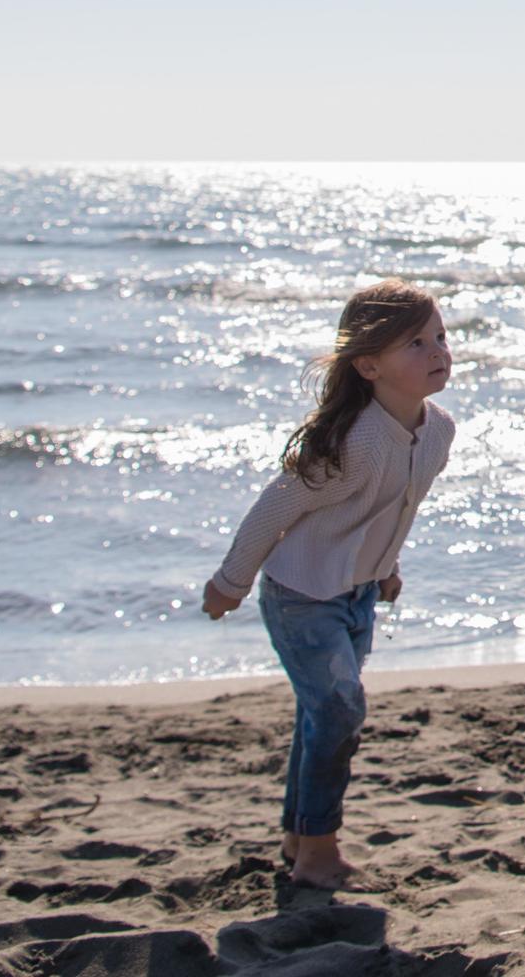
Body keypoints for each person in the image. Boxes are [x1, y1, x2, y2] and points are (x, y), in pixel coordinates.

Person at [202, 280, 457, 892]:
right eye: (415, 343)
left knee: (322, 716)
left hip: (357, 595)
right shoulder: (354, 442)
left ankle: (298, 835)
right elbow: (275, 508)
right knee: (339, 710)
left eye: (440, 337)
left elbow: (395, 508)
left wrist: (385, 569)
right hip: (301, 596)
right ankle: (318, 853)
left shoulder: (439, 430)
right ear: (368, 365)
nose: (438, 351)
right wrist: (229, 582)